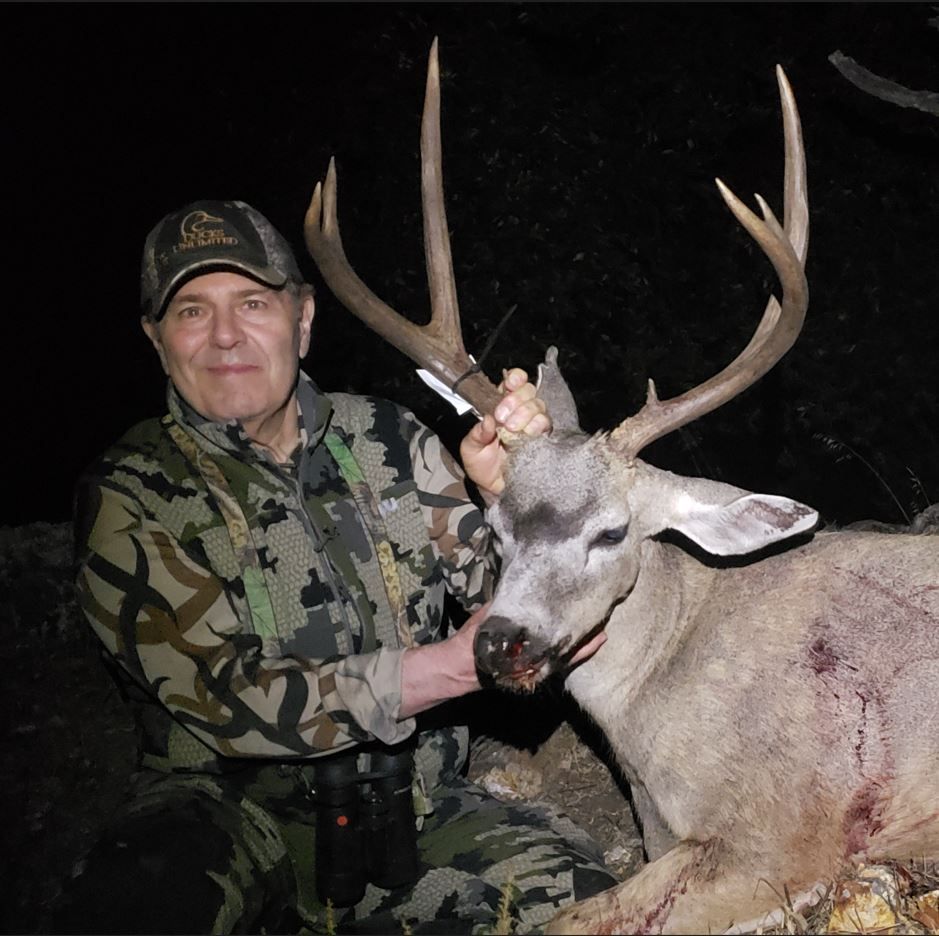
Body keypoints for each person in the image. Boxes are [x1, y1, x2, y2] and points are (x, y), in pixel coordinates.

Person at [53, 199, 615, 935]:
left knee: (589, 908)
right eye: (192, 311)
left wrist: (509, 492)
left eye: (253, 303)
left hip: (411, 800)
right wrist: (447, 668)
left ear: (303, 318)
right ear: (157, 339)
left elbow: (500, 597)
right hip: (224, 816)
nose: (225, 336)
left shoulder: (389, 438)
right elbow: (226, 700)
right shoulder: (129, 494)